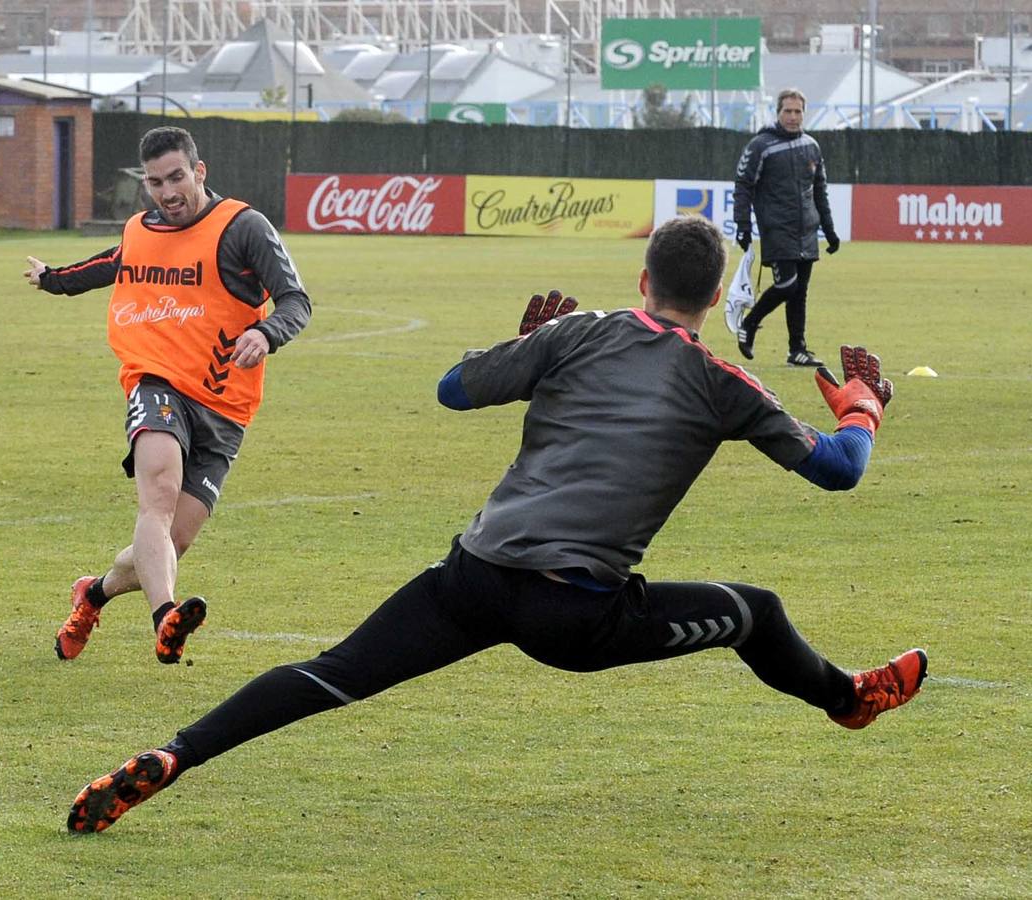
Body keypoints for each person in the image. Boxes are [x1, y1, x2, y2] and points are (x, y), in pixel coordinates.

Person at [66, 216, 926, 834]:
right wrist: (861, 409)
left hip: (471, 578)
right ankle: (847, 701)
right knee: (756, 614)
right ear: (713, 295)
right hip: (573, 615)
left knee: (328, 674)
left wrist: (531, 347)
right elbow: (838, 471)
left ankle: (175, 755)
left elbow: (453, 386)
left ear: (641, 282)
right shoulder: (724, 384)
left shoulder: (578, 334)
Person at [24, 126, 311, 665]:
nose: (167, 192)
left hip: (224, 407)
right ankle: (166, 619)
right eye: (156, 182)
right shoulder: (141, 230)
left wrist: (266, 332)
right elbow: (108, 265)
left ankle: (93, 595)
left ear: (199, 172)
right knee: (157, 495)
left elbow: (296, 301)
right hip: (154, 382)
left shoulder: (243, 227)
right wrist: (52, 278)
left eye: (176, 177)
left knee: (167, 547)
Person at [733, 88, 840, 367]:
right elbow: (744, 185)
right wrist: (743, 224)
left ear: (804, 113)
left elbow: (820, 191)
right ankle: (750, 323)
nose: (793, 117)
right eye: (787, 111)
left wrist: (828, 229)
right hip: (777, 228)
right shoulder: (761, 145)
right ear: (777, 113)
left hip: (807, 230)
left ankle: (797, 350)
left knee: (799, 291)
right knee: (787, 284)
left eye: (798, 111)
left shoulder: (812, 146)